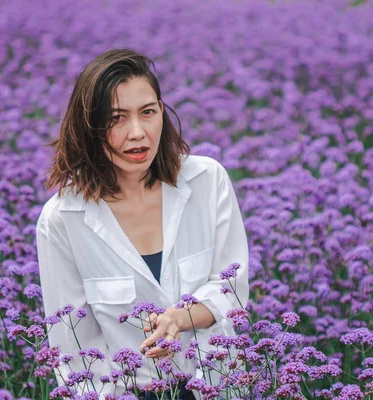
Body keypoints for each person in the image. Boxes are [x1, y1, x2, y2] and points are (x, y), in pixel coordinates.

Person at [35, 48, 249, 399]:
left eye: (147, 112)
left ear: (162, 113)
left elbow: (232, 293)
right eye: (116, 118)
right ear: (89, 126)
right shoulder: (62, 219)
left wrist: (179, 318)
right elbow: (73, 350)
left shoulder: (207, 181)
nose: (137, 132)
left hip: (216, 384)